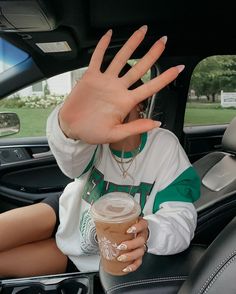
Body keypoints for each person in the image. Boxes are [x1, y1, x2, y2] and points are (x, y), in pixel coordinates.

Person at [0, 25, 200, 278]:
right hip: (66, 211)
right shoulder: (90, 139)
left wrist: (149, 232)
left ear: (140, 99)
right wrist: (68, 128)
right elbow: (71, 165)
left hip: (90, 252)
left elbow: (180, 217)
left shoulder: (163, 146)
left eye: (116, 100)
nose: (106, 110)